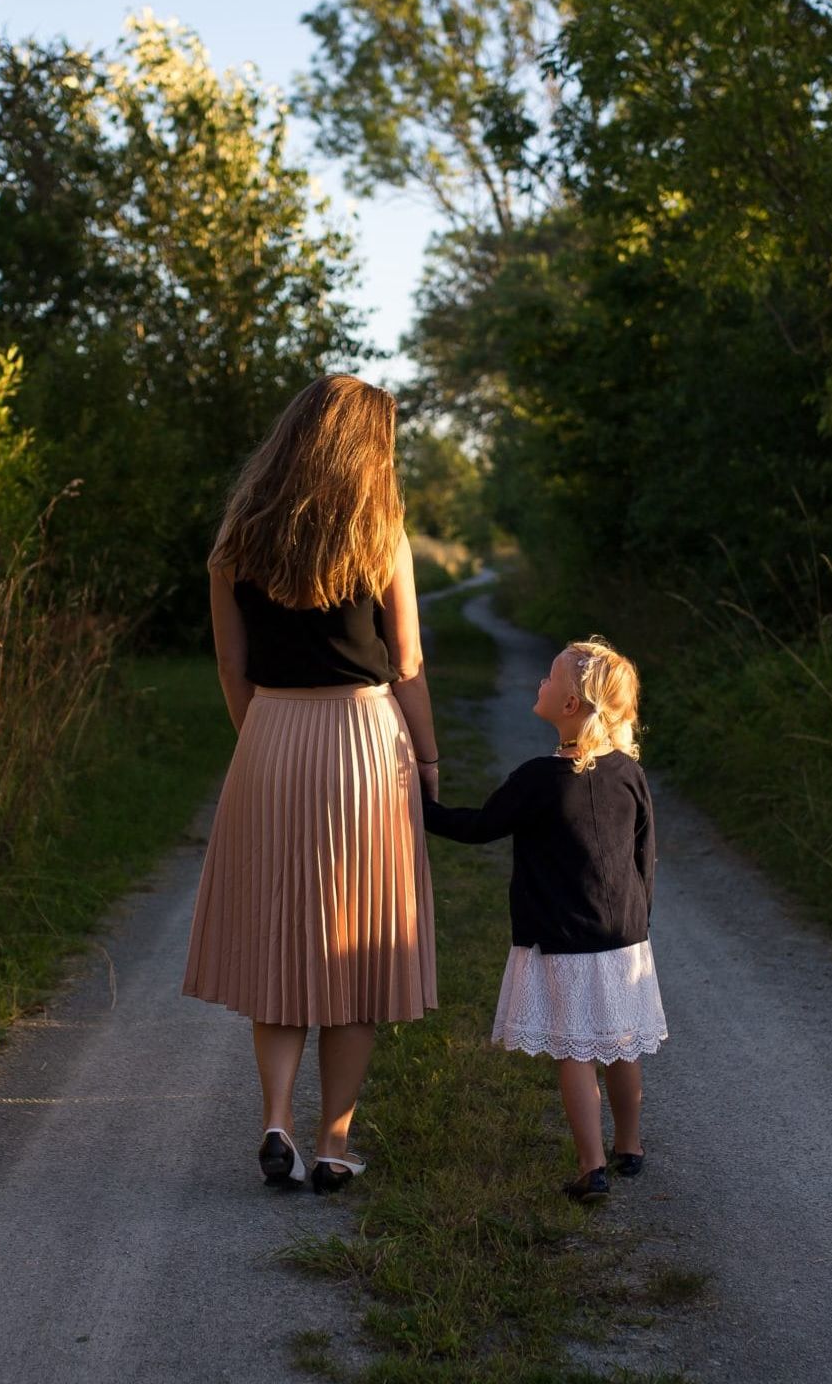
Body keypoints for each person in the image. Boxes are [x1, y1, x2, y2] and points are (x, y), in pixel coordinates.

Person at [181, 374, 440, 1194]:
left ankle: (275, 1122)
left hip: (271, 735)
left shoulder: (237, 538)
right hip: (364, 739)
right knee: (355, 946)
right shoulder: (381, 533)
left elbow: (230, 664)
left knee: (282, 941)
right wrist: (428, 761)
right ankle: (333, 1143)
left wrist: (260, 738)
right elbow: (406, 665)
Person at [421, 637, 665, 1203]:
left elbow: (479, 826)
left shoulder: (538, 778)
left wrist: (416, 806)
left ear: (571, 705)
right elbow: (644, 853)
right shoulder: (628, 772)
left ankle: (591, 1166)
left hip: (563, 936)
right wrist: (639, 921)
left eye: (549, 678)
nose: (540, 682)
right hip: (624, 937)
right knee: (621, 1045)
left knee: (575, 1051)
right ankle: (630, 1147)